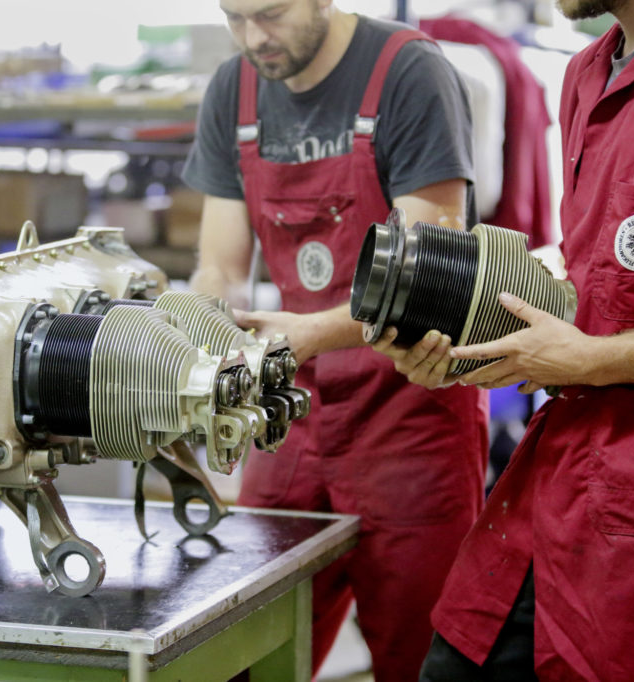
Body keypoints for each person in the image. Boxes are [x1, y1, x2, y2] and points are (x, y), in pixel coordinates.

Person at [370, 0, 634, 679]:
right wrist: (470, 342)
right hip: (564, 469)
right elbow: (593, 276)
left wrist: (591, 359)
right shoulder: (585, 73)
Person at [180, 1, 490, 680]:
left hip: (409, 410)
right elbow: (222, 266)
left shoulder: (408, 73)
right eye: (234, 17)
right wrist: (201, 324)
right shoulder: (234, 91)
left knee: (418, 655)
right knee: (248, 643)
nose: (253, 37)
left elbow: (430, 271)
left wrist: (315, 332)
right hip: (290, 412)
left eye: (270, 13)